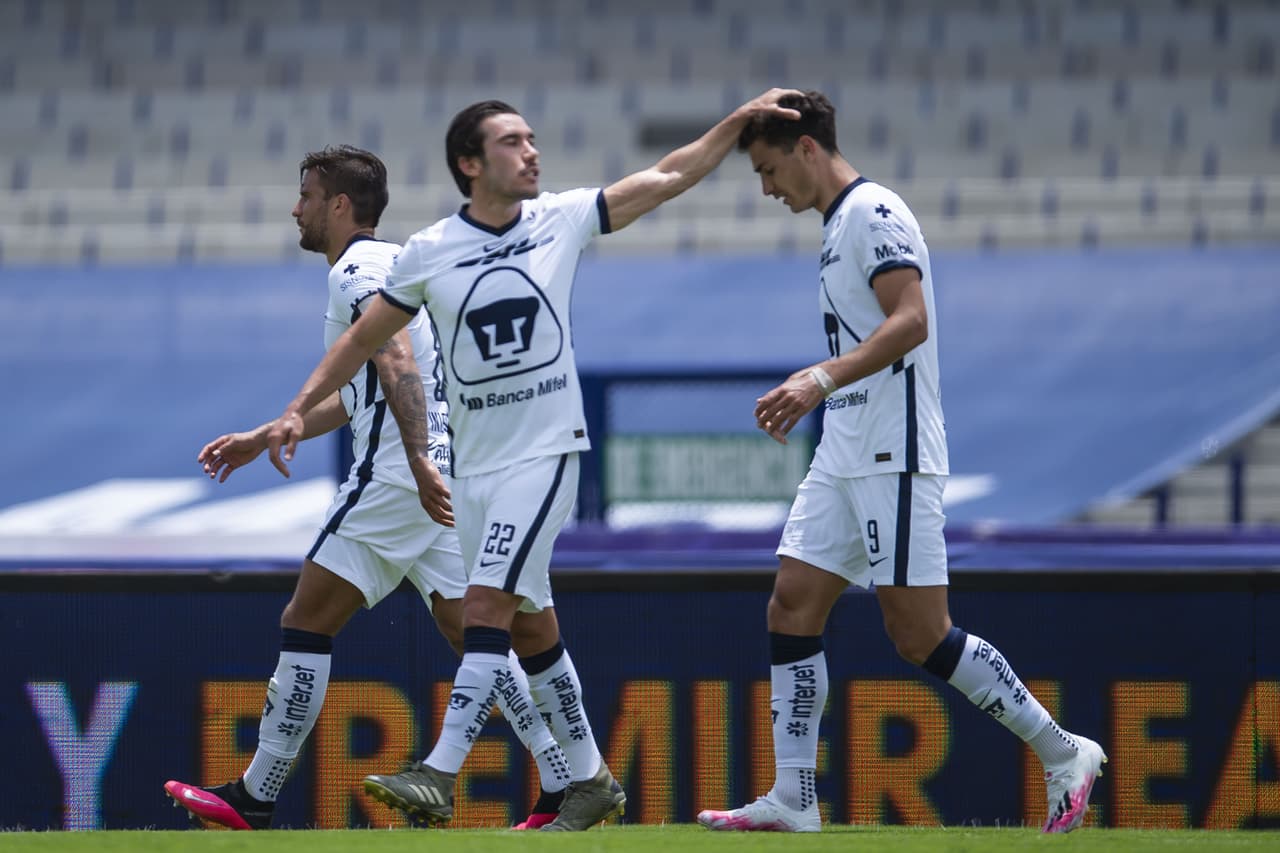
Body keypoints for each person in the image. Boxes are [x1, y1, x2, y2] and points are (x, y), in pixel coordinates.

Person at [260, 90, 804, 832]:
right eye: (512, 141)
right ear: (470, 163)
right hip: (474, 464)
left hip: (544, 453)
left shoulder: (560, 217)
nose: (532, 151)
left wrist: (736, 124)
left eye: (532, 138)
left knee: (483, 610)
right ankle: (587, 779)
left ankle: (437, 773)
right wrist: (294, 410)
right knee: (533, 629)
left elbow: (669, 175)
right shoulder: (429, 251)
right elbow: (364, 341)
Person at [695, 91, 1107, 834]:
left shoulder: (874, 211)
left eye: (768, 170)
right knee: (791, 602)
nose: (766, 188)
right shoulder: (836, 226)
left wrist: (819, 378)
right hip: (846, 447)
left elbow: (910, 320)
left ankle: (1063, 749)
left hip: (896, 448)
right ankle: (794, 796)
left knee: (919, 633)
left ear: (806, 148)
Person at [163, 145, 575, 831]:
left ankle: (256, 793)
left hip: (395, 476)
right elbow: (364, 392)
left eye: (305, 195)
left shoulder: (355, 269)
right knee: (470, 630)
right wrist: (267, 434)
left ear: (338, 205)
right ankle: (562, 781)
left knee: (307, 618)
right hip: (441, 472)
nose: (295, 208)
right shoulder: (395, 264)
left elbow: (394, 357)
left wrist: (413, 458)